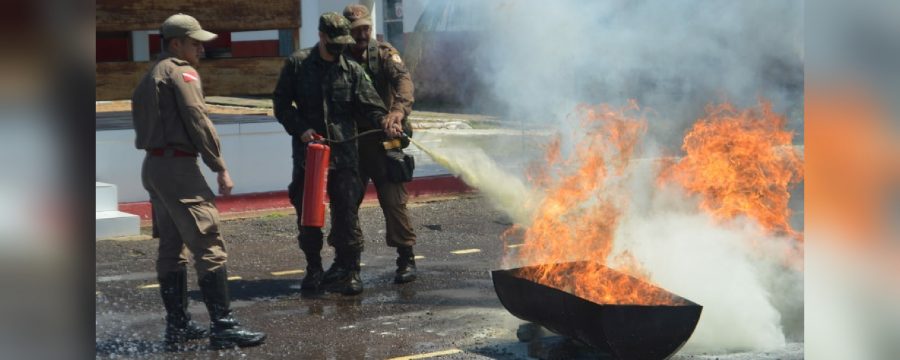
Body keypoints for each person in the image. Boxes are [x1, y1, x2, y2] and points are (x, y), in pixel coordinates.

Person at [131, 13, 266, 349]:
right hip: (178, 169)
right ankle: (223, 326)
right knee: (209, 244)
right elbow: (197, 118)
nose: (201, 49)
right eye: (195, 43)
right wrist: (218, 165)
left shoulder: (148, 77)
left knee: (171, 248)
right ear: (176, 44)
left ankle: (178, 326)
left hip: (155, 166)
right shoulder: (181, 71)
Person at [272, 12, 401, 295]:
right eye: (334, 43)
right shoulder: (297, 64)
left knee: (346, 216)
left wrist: (385, 121)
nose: (340, 48)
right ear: (321, 36)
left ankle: (349, 271)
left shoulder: (351, 69)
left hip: (344, 156)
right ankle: (314, 269)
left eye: (344, 42)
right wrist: (301, 128)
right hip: (310, 156)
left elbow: (371, 105)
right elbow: (281, 105)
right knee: (309, 215)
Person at [342, 4, 419, 284]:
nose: (362, 35)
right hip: (351, 142)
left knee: (394, 201)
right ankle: (349, 266)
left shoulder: (385, 54)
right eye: (356, 30)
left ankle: (406, 258)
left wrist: (398, 111)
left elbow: (403, 81)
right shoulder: (338, 59)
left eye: (366, 28)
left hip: (384, 140)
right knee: (346, 204)